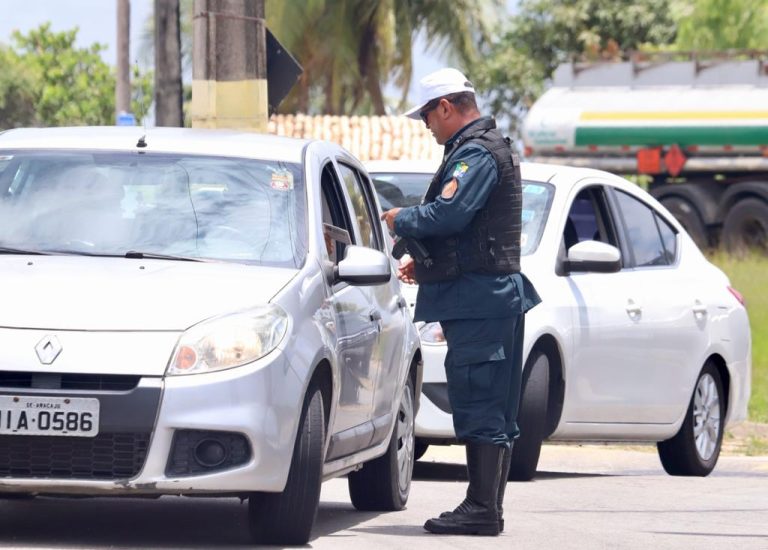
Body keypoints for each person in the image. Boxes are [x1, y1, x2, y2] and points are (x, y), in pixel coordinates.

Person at [380, 68, 540, 536]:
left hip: (481, 302)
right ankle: (487, 507)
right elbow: (472, 232)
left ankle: (481, 508)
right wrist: (425, 266)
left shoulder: (475, 154)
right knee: (490, 401)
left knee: (481, 401)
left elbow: (450, 214)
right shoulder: (483, 149)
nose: (426, 125)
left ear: (446, 107)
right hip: (484, 297)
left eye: (427, 115)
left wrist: (399, 218)